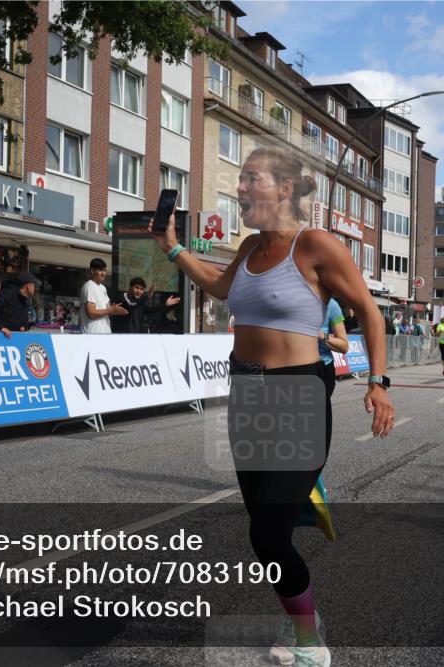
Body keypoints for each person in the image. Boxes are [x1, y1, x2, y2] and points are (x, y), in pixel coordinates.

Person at [151, 145, 394, 667]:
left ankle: (311, 642)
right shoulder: (248, 249)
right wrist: (171, 249)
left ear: (283, 189)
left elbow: (369, 314)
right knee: (267, 530)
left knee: (265, 534)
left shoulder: (314, 246)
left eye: (250, 179)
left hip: (298, 394)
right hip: (247, 394)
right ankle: (298, 603)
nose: (240, 188)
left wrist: (379, 382)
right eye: (239, 180)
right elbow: (218, 286)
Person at [111, 277, 180, 333]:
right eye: (136, 287)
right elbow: (131, 305)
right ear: (130, 287)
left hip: (133, 336)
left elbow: (151, 310)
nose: (139, 291)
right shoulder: (123, 296)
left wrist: (165, 304)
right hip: (120, 336)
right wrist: (146, 297)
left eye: (141, 289)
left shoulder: (139, 302)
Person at [79, 258, 127, 334]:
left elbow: (107, 309)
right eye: (100, 270)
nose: (103, 273)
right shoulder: (89, 286)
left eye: (105, 270)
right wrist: (110, 310)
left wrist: (115, 310)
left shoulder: (103, 288)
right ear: (92, 271)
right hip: (92, 334)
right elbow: (91, 313)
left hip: (105, 332)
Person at [317, 297, 349, 398]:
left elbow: (344, 346)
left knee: (318, 412)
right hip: (286, 365)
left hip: (322, 367)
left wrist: (322, 336)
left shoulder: (331, 305)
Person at [0, 271, 41, 338]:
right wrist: (0, 327)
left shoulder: (25, 299)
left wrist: (24, 327)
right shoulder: (8, 293)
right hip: (1, 337)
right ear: (28, 285)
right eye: (33, 285)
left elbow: (24, 319)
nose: (35, 288)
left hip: (15, 338)